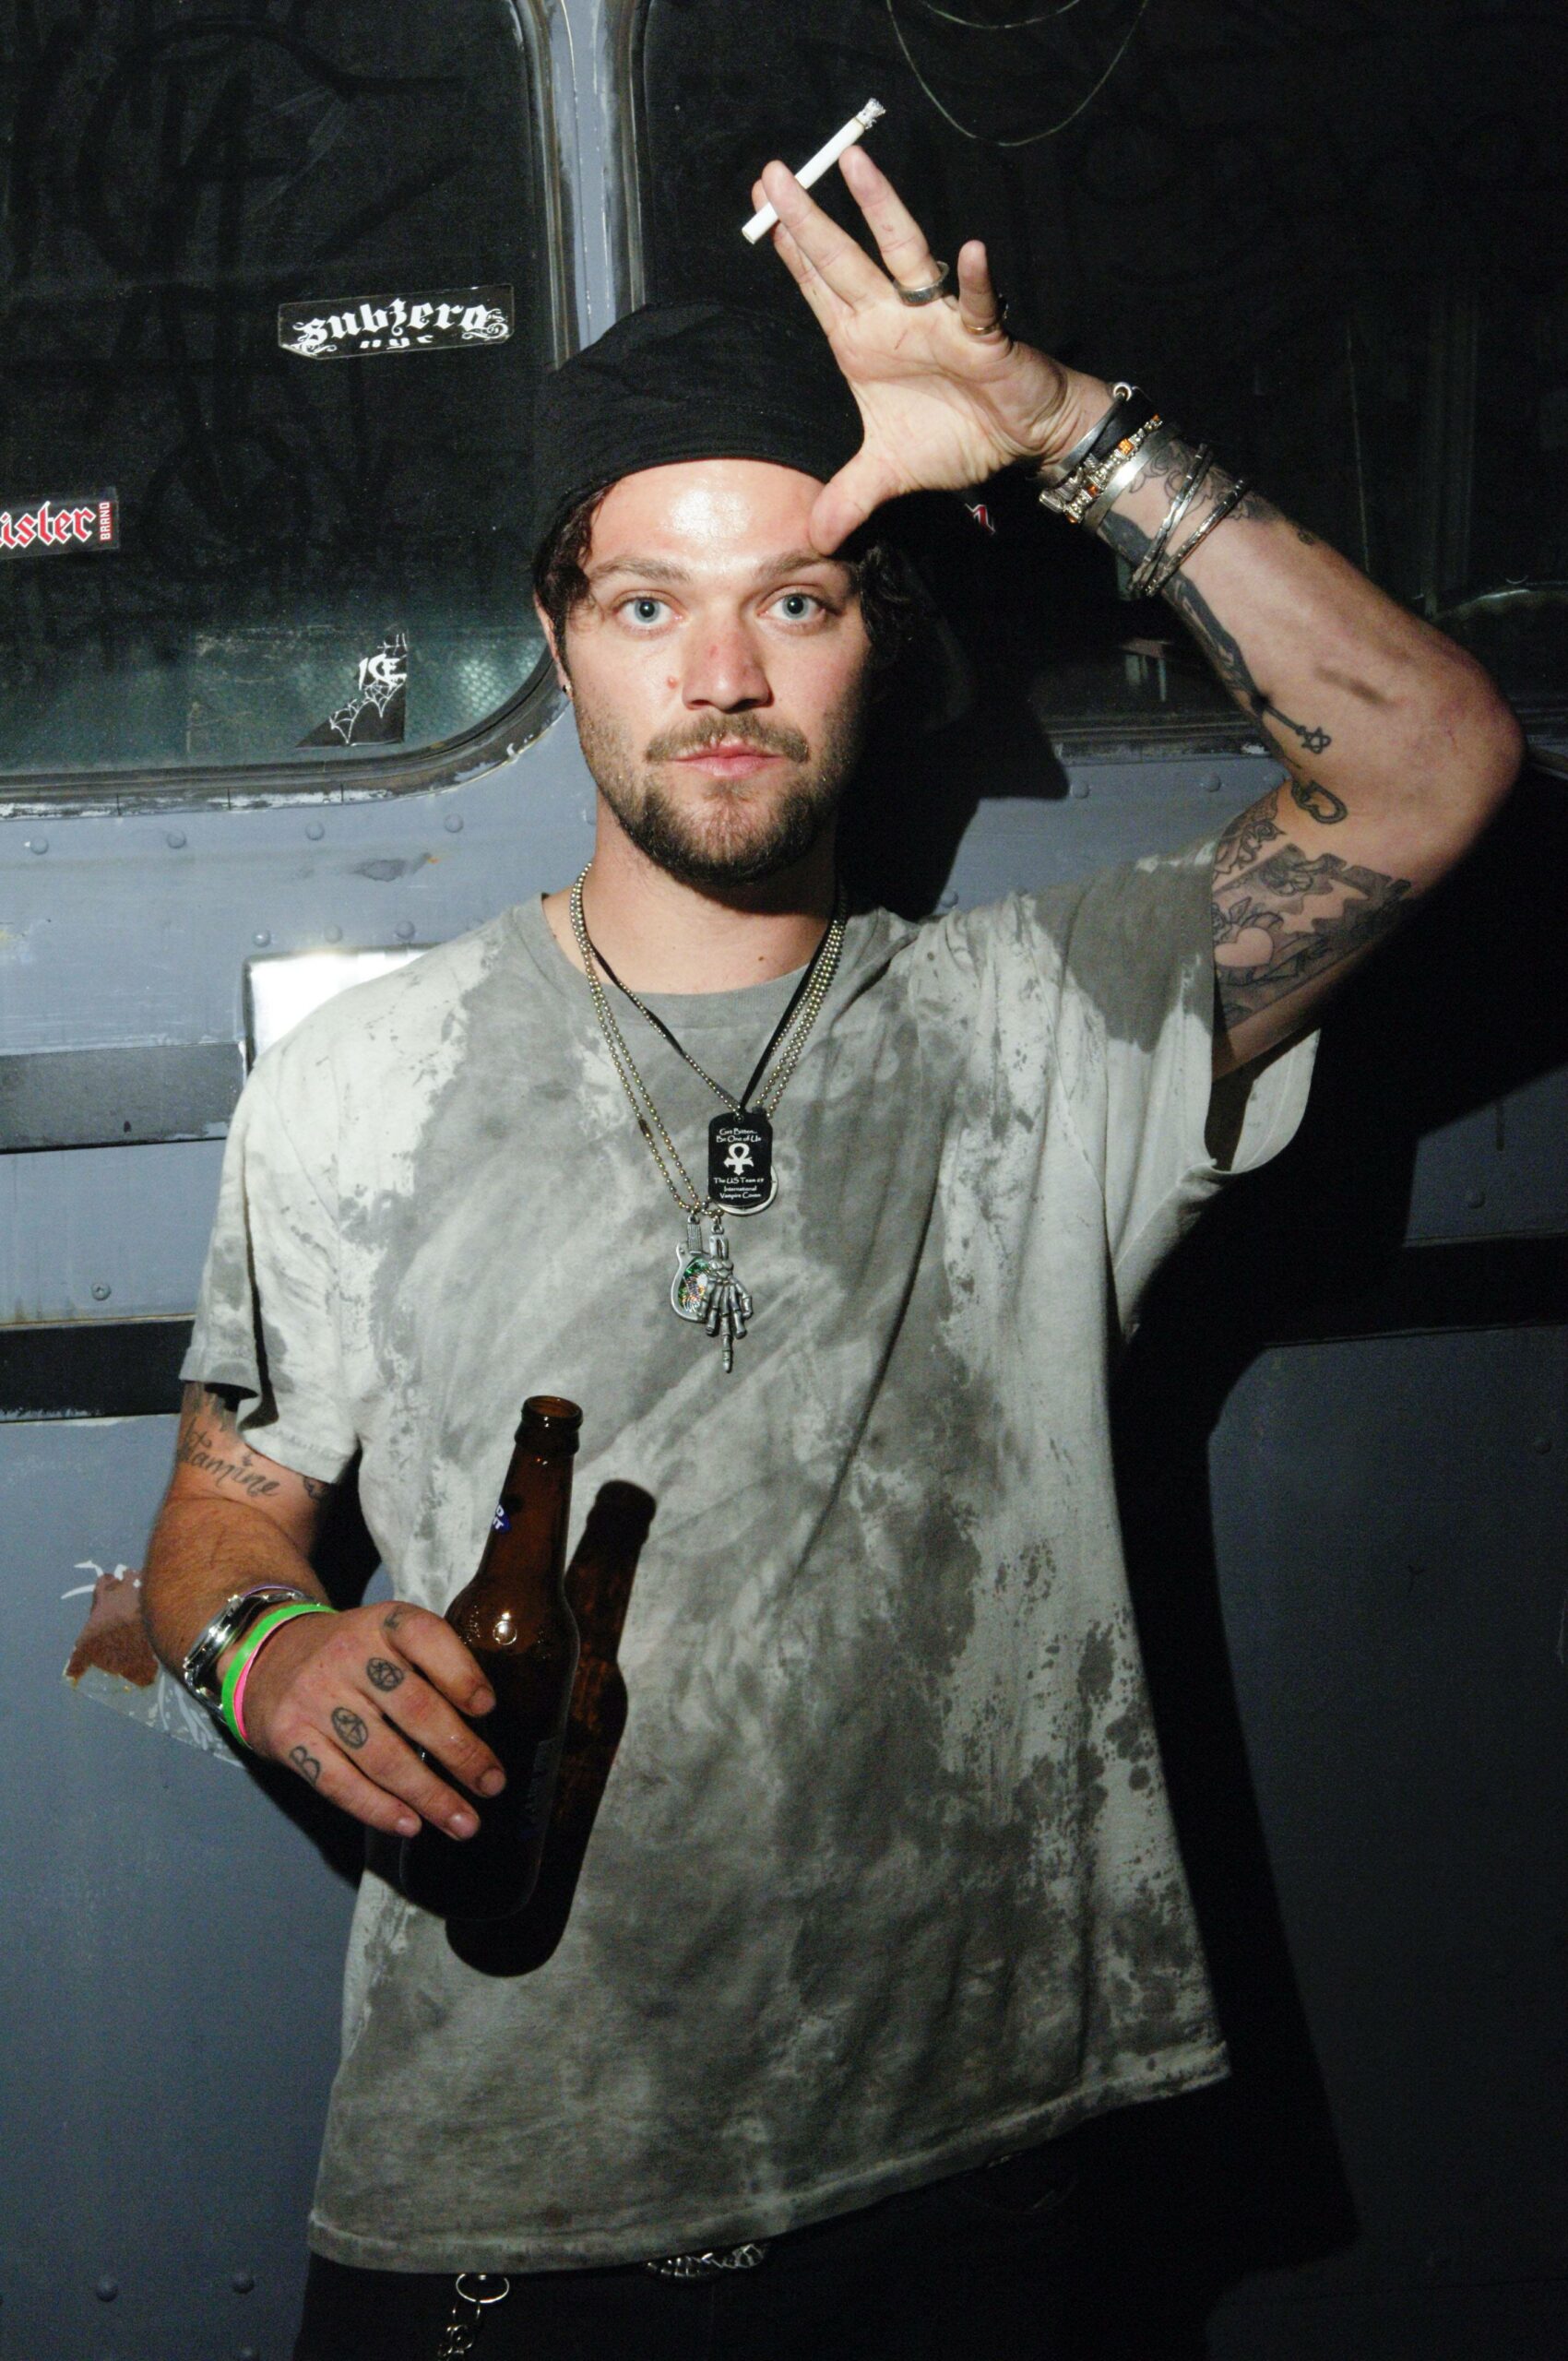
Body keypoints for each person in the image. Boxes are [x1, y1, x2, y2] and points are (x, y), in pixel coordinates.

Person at [140, 146, 1521, 2360]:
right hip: (503, 2200)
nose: (720, 674)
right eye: (646, 601)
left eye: (794, 597)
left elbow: (1432, 758)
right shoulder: (362, 1083)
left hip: (976, 2188)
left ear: (884, 635)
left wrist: (1057, 423)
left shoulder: (1037, 1024)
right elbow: (218, 1521)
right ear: (559, 637)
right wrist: (265, 1660)